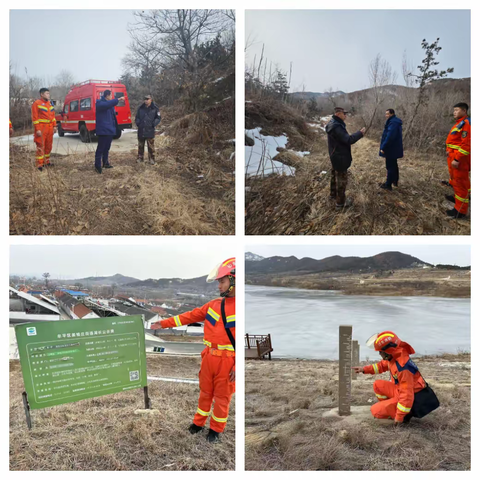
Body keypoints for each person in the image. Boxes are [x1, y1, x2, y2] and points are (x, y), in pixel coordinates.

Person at [151, 258, 236, 443]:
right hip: (208, 357)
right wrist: (164, 323)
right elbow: (189, 316)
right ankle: (198, 423)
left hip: (228, 360)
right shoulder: (214, 305)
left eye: (222, 281)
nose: (219, 285)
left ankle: (216, 429)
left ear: (234, 280)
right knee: (205, 393)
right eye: (219, 282)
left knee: (222, 398)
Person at [352, 331, 427, 425]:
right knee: (377, 385)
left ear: (388, 351)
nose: (379, 354)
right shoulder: (394, 357)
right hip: (399, 390)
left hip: (410, 398)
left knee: (375, 411)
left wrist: (399, 418)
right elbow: (381, 366)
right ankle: (391, 407)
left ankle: (404, 415)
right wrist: (364, 369)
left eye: (380, 352)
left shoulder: (403, 367)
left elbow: (407, 395)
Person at [325, 107, 365, 208]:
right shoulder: (336, 126)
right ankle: (340, 203)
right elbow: (348, 140)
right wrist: (360, 133)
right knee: (341, 180)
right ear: (338, 114)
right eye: (344, 113)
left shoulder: (333, 123)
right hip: (340, 157)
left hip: (335, 155)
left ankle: (333, 195)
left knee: (334, 176)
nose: (346, 115)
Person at [444, 102, 471, 219]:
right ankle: (458, 199)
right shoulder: (459, 124)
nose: (454, 112)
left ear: (464, 111)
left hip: (459, 159)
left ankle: (460, 211)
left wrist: (457, 158)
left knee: (460, 183)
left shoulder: (467, 124)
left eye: (457, 110)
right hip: (453, 156)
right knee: (458, 181)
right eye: (454, 110)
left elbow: (467, 144)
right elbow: (455, 141)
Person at [94, 89, 124, 174]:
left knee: (106, 148)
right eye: (111, 95)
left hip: (110, 130)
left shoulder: (109, 105)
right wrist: (118, 99)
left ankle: (106, 163)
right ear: (107, 96)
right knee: (100, 149)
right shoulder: (100, 103)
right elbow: (107, 104)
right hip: (103, 131)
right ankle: (97, 166)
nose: (112, 97)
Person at [31, 88, 57, 171]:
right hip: (42, 128)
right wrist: (37, 129)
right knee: (41, 146)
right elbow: (35, 118)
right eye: (47, 93)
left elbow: (53, 117)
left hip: (49, 128)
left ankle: (47, 162)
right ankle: (39, 165)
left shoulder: (50, 104)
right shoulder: (37, 103)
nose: (48, 95)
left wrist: (54, 126)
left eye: (49, 93)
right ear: (41, 94)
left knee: (49, 146)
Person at [379, 109, 403, 190]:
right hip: (394, 148)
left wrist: (383, 147)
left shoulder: (393, 123)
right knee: (394, 165)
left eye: (387, 114)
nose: (386, 115)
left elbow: (390, 136)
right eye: (385, 114)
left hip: (391, 148)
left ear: (392, 114)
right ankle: (394, 181)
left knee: (390, 166)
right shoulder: (394, 121)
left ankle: (388, 185)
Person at [135, 95, 161, 165]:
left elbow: (158, 118)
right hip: (141, 130)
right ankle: (140, 158)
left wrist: (153, 124)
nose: (146, 100)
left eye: (147, 99)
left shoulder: (155, 108)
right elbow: (137, 117)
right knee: (140, 146)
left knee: (151, 146)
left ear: (151, 100)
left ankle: (152, 159)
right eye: (145, 99)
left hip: (150, 130)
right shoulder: (140, 108)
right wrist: (138, 124)